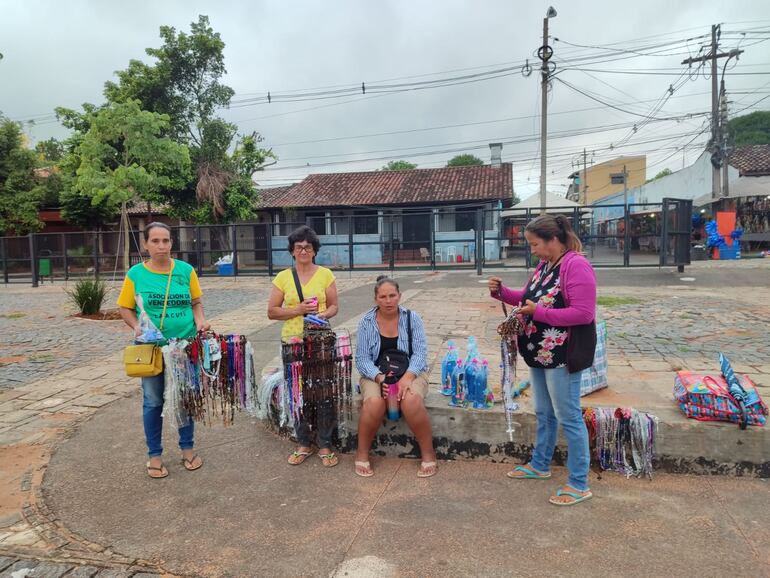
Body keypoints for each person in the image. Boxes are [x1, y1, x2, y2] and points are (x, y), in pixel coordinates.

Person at [489, 214, 596, 506]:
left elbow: (583, 313)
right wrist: (501, 293)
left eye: (535, 244)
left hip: (562, 355)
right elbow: (527, 299)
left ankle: (578, 483)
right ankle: (539, 465)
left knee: (569, 417)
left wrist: (539, 313)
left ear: (553, 240)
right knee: (545, 413)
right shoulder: (545, 266)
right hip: (539, 353)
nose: (532, 250)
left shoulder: (576, 266)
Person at [118, 222, 210, 479]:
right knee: (153, 401)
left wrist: (201, 321)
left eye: (166, 240)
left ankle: (187, 449)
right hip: (151, 349)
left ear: (172, 243)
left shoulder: (185, 271)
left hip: (184, 347)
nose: (161, 246)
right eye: (155, 241)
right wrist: (136, 327)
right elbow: (125, 308)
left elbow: (196, 303)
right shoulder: (136, 274)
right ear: (146, 244)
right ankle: (154, 455)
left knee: (184, 398)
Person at [267, 225, 340, 468]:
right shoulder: (283, 278)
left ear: (315, 250)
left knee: (323, 392)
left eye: (308, 247)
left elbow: (334, 306)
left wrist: (322, 314)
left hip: (319, 341)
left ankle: (326, 443)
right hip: (293, 342)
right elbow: (272, 312)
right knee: (297, 392)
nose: (303, 250)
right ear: (292, 251)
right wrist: (297, 310)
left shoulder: (326, 274)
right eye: (299, 247)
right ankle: (303, 442)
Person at [354, 276, 437, 478]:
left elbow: (420, 354)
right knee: (374, 403)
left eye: (392, 295)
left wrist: (407, 378)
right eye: (383, 296)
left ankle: (428, 453)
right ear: (376, 299)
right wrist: (380, 378)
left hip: (411, 371)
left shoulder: (412, 318)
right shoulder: (366, 322)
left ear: (399, 296)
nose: (388, 300)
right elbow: (362, 359)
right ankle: (362, 452)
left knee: (411, 400)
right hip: (375, 374)